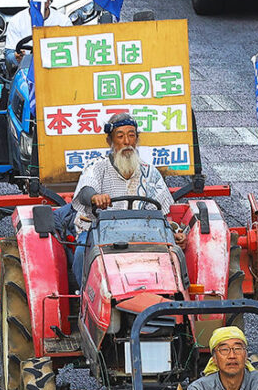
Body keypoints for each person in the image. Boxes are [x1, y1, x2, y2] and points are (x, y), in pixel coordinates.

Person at [67, 113, 187, 286]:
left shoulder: (150, 172)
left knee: (175, 253)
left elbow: (161, 211)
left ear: (137, 140)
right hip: (98, 232)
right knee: (81, 253)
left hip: (142, 234)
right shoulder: (97, 166)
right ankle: (85, 296)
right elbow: (85, 190)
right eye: (120, 136)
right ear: (110, 141)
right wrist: (94, 197)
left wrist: (174, 232)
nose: (126, 141)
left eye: (131, 135)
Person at [4, 0, 72, 69]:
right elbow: (9, 54)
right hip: (27, 71)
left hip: (56, 71)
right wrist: (16, 57)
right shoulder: (16, 21)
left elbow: (72, 53)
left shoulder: (63, 22)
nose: (39, 1)